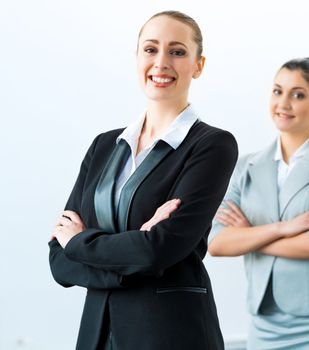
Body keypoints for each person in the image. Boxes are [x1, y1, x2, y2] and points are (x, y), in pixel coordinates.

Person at [48, 11, 237, 350]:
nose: (161, 62)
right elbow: (58, 260)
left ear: (198, 65)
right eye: (151, 49)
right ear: (137, 57)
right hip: (96, 334)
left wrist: (81, 244)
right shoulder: (104, 145)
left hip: (169, 334)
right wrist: (136, 244)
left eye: (177, 52)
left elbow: (159, 249)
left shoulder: (212, 145)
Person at [208, 57, 309, 349]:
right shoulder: (246, 167)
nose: (284, 103)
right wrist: (286, 228)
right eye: (278, 91)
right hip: (266, 325)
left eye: (298, 94)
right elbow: (217, 243)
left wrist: (250, 235)